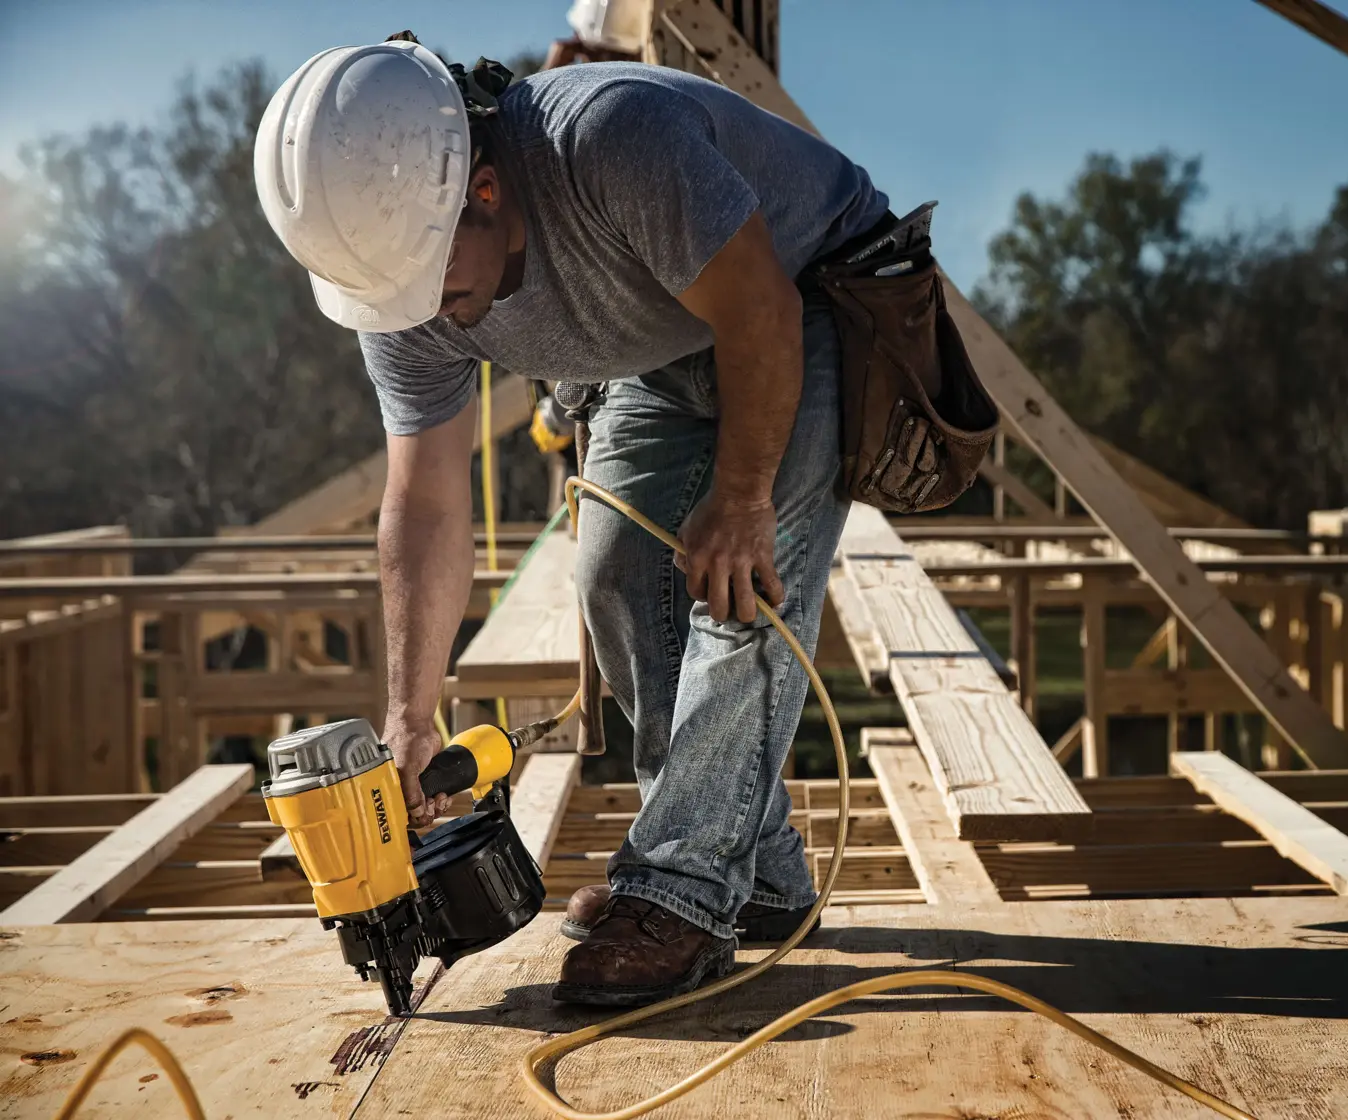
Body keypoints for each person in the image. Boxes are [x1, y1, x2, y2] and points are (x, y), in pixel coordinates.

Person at [253, 38, 889, 1006]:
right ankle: (752, 874)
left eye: (437, 281)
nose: (435, 317)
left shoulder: (611, 139)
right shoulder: (398, 282)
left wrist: (744, 495)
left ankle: (677, 888)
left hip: (805, 295)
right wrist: (411, 717)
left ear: (491, 188)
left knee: (739, 589)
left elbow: (757, 308)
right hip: (653, 345)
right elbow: (424, 503)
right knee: (617, 580)